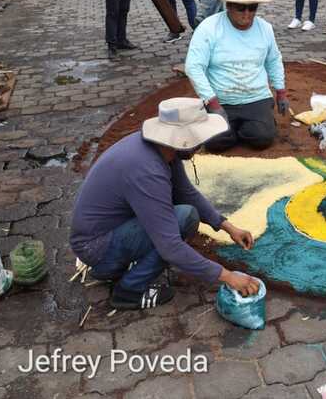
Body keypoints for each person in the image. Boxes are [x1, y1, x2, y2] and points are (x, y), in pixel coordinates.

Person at [70, 97, 260, 311]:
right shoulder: (147, 170)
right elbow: (170, 247)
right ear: (183, 139)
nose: (200, 145)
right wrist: (227, 277)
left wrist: (228, 227)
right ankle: (128, 292)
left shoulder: (164, 149)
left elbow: (186, 193)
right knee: (183, 219)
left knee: (184, 214)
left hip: (109, 233)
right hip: (96, 249)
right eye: (198, 139)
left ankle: (127, 263)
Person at [185, 0, 288, 151]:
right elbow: (193, 66)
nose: (247, 14)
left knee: (262, 138)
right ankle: (232, 127)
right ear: (228, 5)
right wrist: (213, 104)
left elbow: (273, 60)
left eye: (252, 8)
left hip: (256, 97)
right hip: (221, 99)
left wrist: (280, 92)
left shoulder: (265, 28)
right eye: (240, 8)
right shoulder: (209, 27)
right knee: (215, 143)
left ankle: (246, 125)